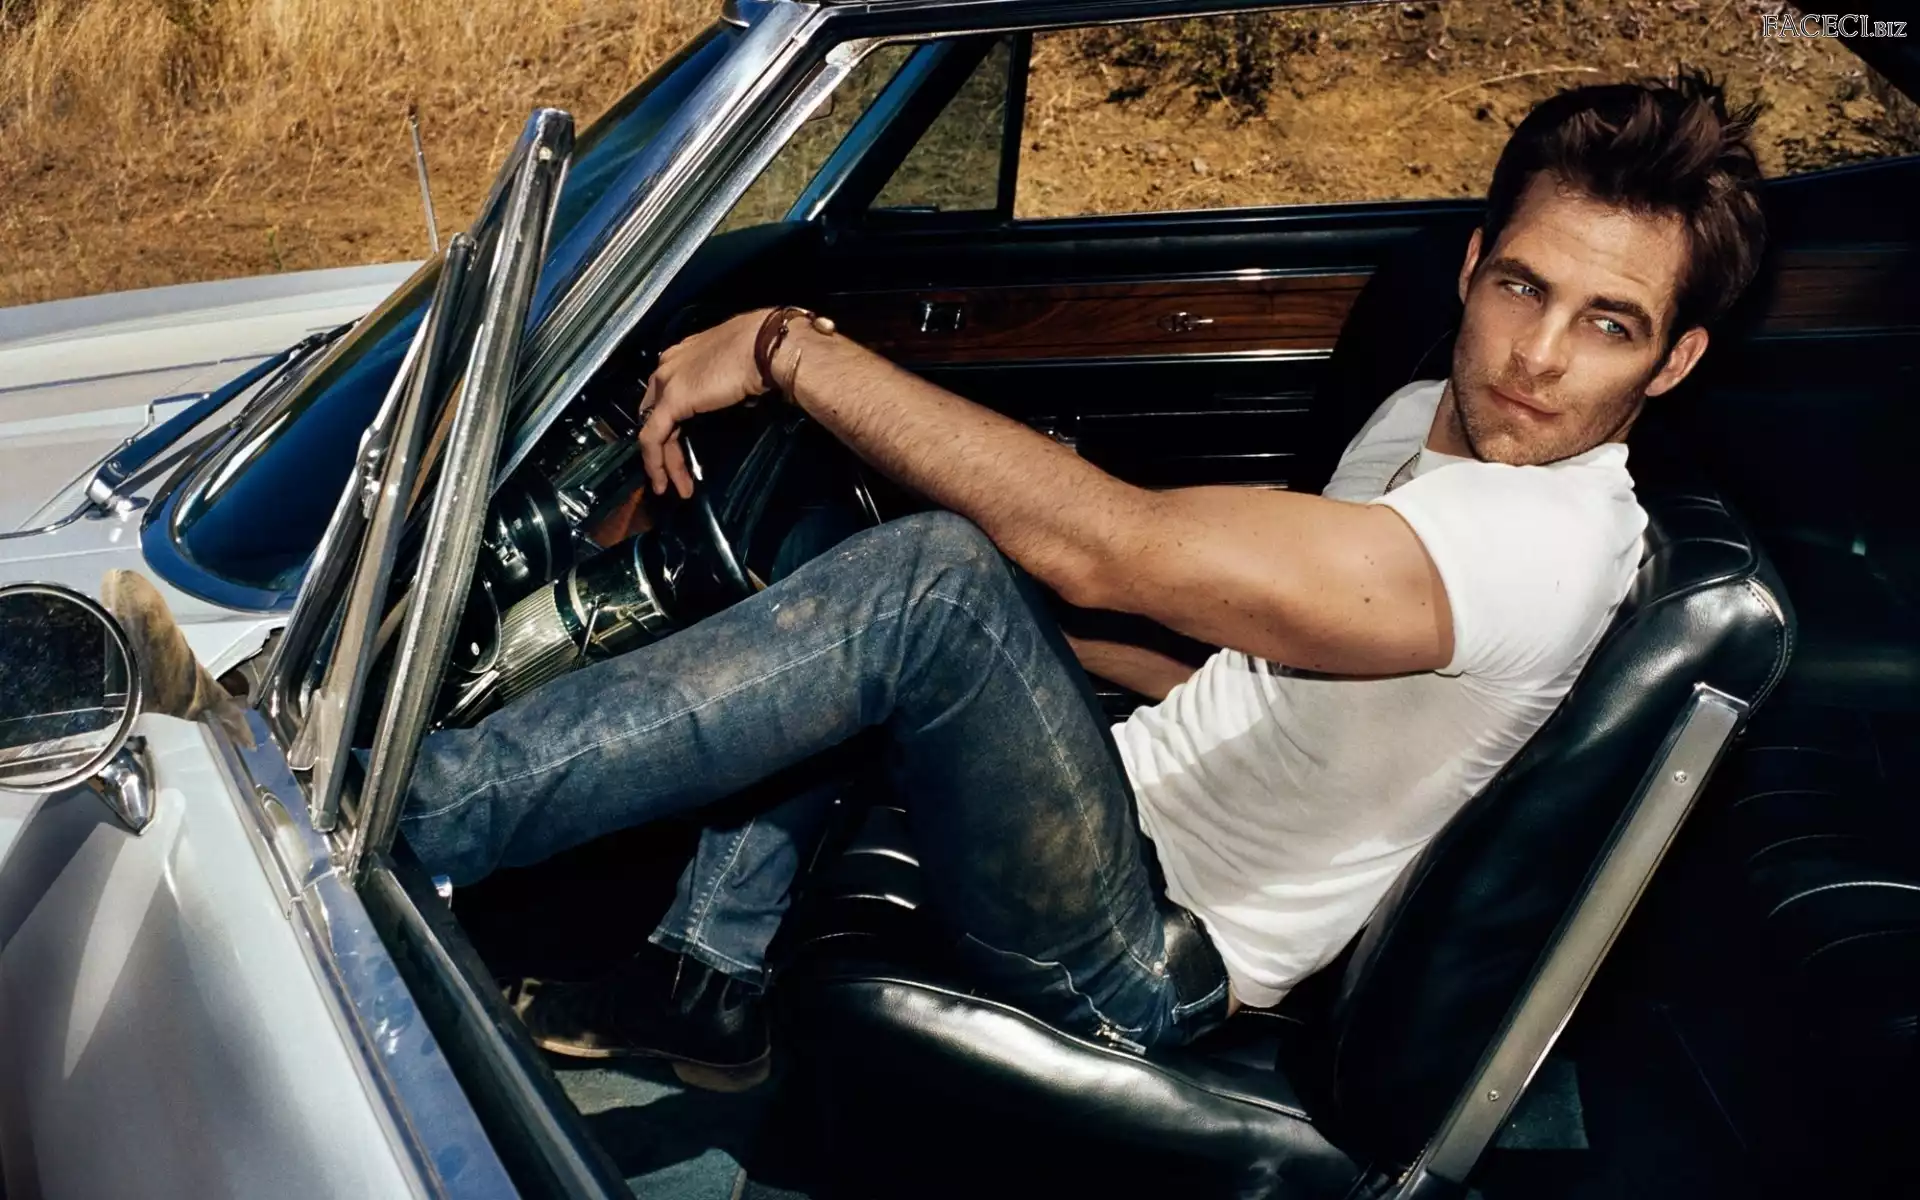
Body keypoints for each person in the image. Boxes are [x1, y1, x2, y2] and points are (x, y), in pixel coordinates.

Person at [400, 70, 1767, 1091]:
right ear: (1471, 268)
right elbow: (1256, 681)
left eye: (1610, 323)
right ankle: (706, 978)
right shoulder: (1422, 419)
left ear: (1676, 359)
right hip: (1126, 808)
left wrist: (785, 347)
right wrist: (1032, 631)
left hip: (1146, 963)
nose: (1539, 355)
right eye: (1523, 288)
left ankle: (413, 817)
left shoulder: (1540, 543)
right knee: (867, 538)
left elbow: (1114, 548)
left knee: (933, 583)